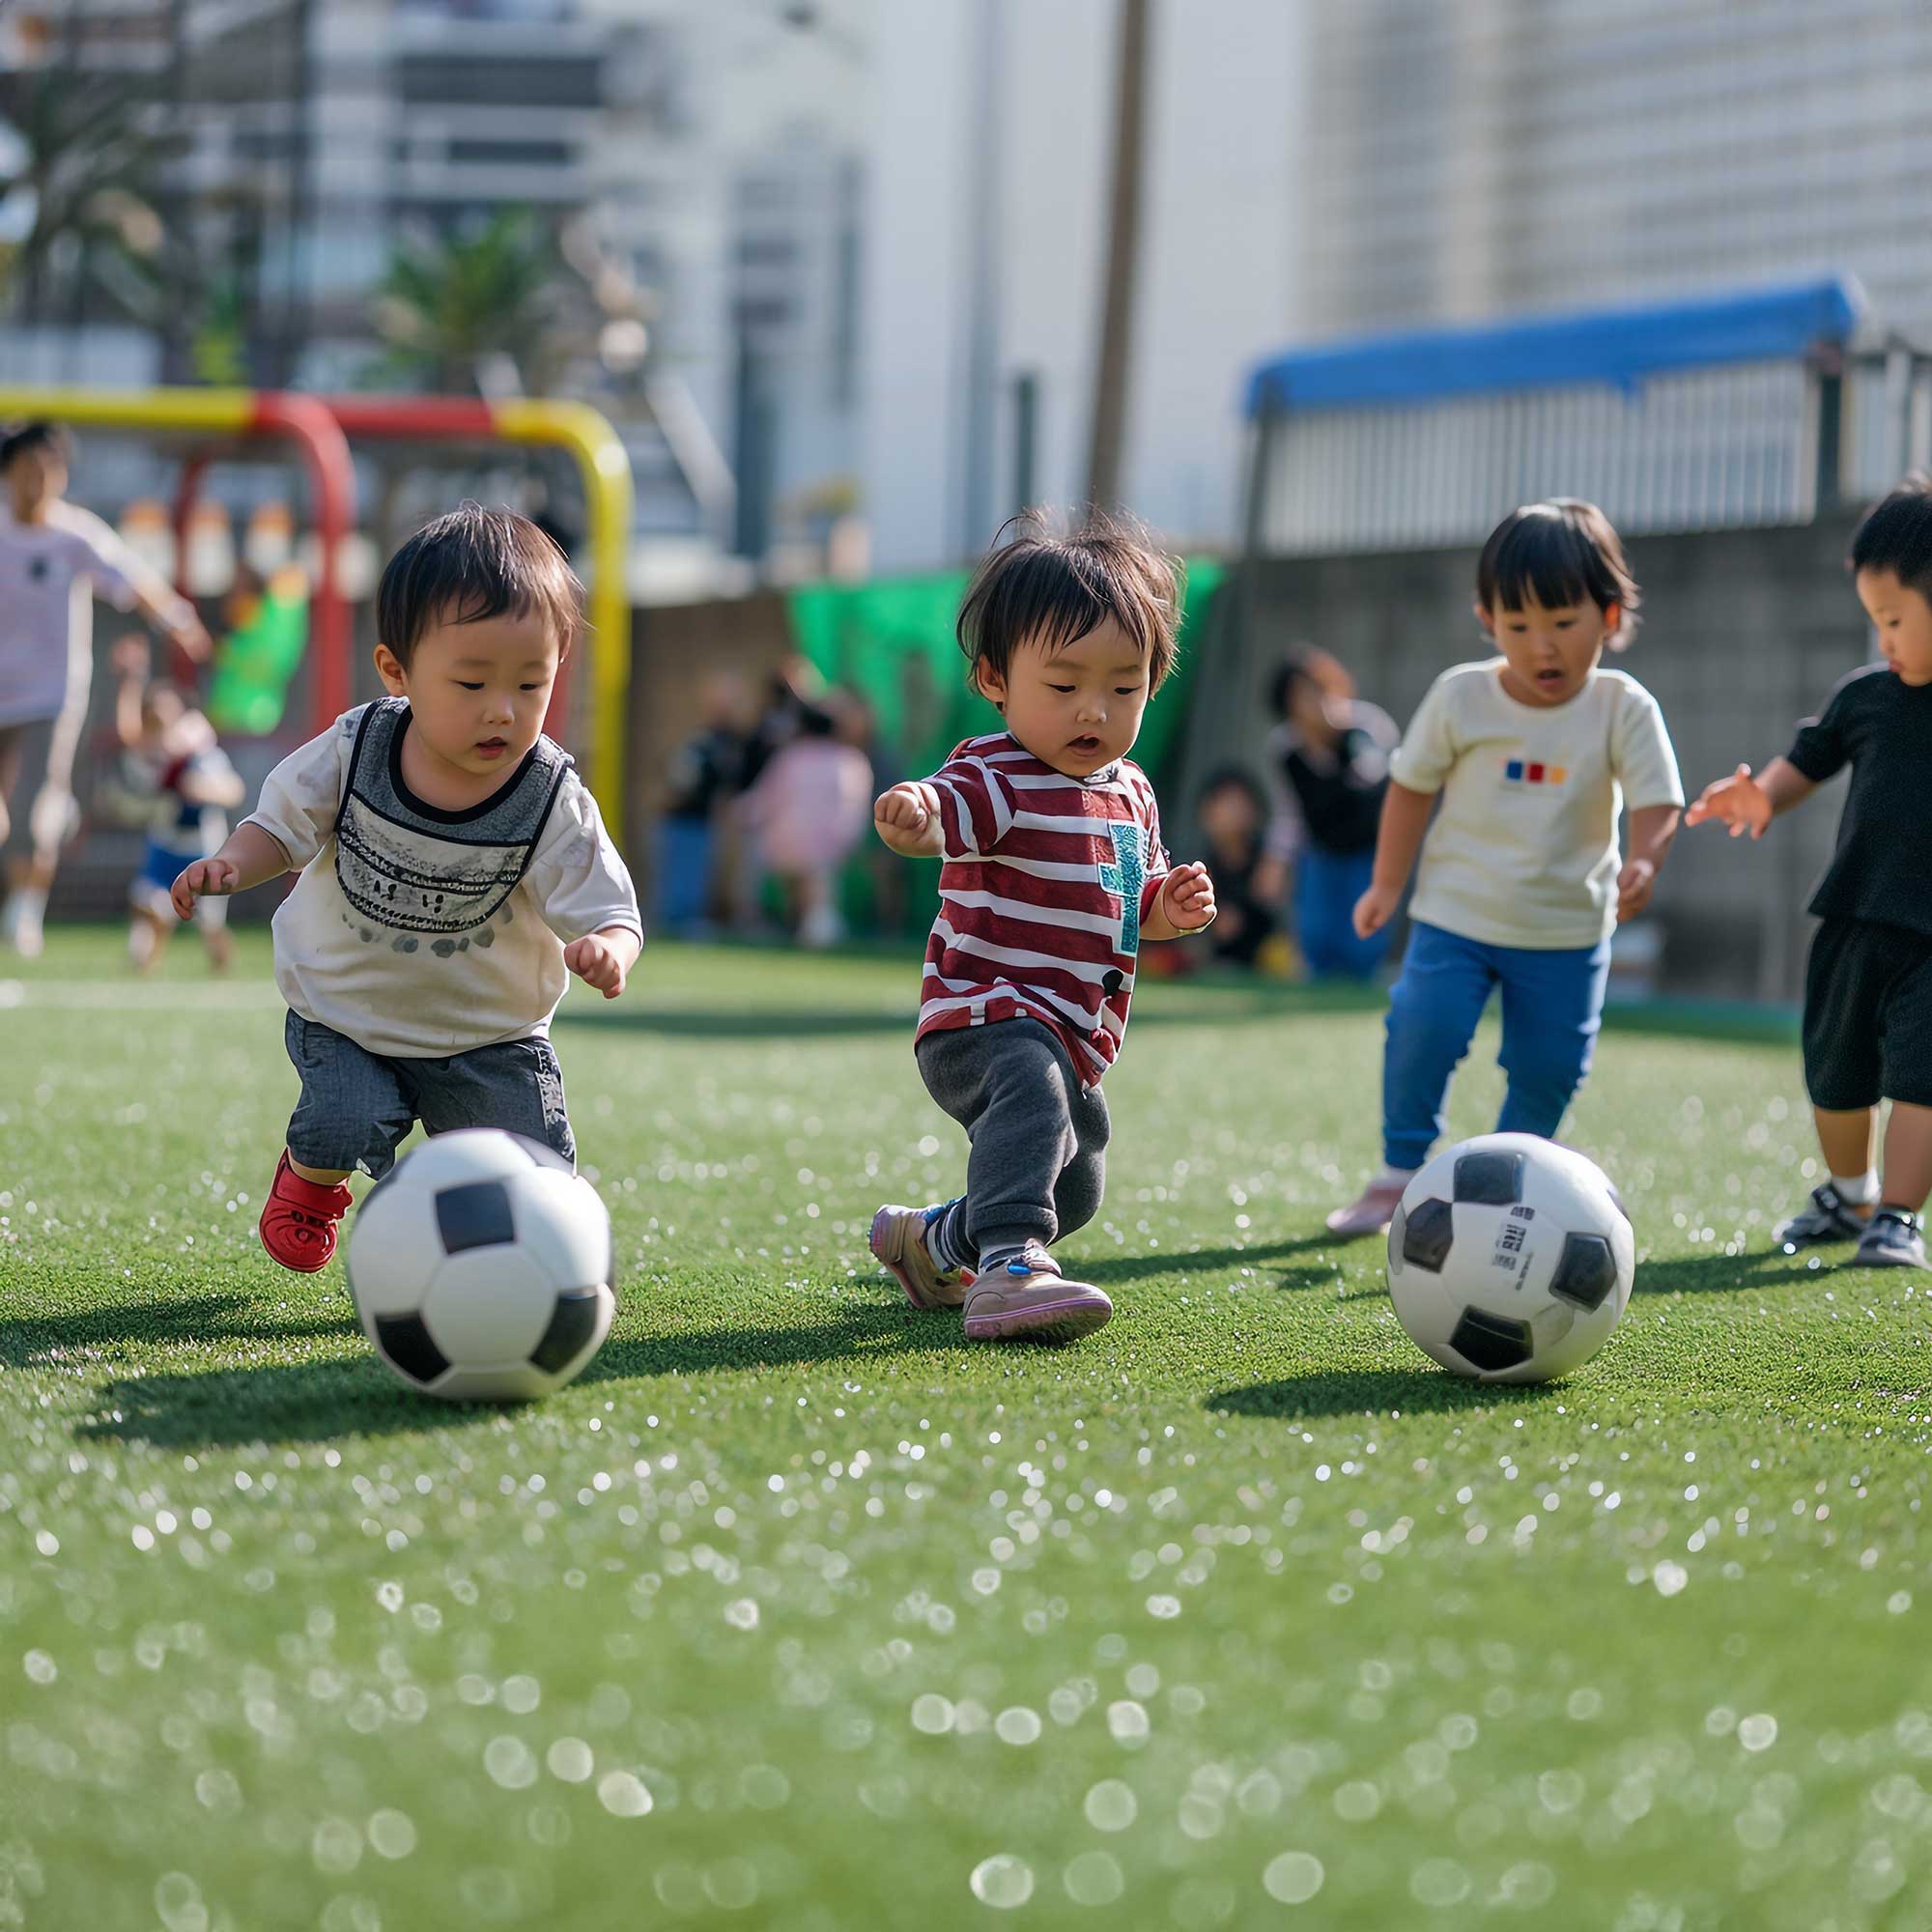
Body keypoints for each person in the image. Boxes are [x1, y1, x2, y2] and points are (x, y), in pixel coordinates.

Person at [170, 503, 642, 1273]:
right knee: (343, 1123)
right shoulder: (359, 749)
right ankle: (312, 1180)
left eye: (532, 684)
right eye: (470, 682)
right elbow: (282, 827)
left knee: (533, 1172)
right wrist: (232, 861)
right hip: (348, 1013)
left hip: (491, 1036)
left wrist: (609, 948)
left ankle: (521, 1269)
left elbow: (607, 904)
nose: (503, 710)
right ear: (397, 671)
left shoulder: (549, 795)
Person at [866, 514, 1218, 1341]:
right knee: (1032, 1095)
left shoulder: (1131, 792)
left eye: (1123, 688)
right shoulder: (998, 772)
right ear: (996, 678)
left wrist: (1169, 905)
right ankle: (1009, 1270)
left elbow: (1131, 901)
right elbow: (950, 810)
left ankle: (933, 1241)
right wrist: (916, 815)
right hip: (984, 1018)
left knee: (1078, 1182)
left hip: (1073, 1036)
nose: (1093, 709)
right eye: (1063, 687)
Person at [1327, 499, 1684, 1237]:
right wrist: (1388, 884)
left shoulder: (1624, 708)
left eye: (1563, 623)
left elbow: (1657, 801)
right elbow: (1411, 786)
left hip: (1567, 928)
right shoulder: (1463, 695)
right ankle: (1398, 1173)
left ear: (1609, 617)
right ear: (1488, 620)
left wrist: (1645, 860)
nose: (1541, 647)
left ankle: (1508, 1180)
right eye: (1518, 626)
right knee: (1423, 1021)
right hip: (1458, 914)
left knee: (1551, 1064)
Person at [1686, 475, 1932, 1270]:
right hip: (1855, 919)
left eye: (1895, 620)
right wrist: (1759, 797)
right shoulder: (1866, 698)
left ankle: (1897, 1215)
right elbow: (1808, 761)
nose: (1882, 640)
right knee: (1836, 1078)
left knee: (1923, 1079)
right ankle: (1850, 1191)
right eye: (1874, 622)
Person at [0, 419, 212, 955]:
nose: (40, 482)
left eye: (51, 470)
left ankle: (25, 912)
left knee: (29, 814)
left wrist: (179, 621)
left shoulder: (75, 535)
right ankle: (51, 819)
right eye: (29, 470)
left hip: (50, 695)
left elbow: (131, 579)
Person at [1259, 646, 1397, 980]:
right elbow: (1288, 814)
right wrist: (1274, 862)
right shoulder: (1286, 750)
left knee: (1363, 943)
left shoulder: (1366, 728)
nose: (1314, 703)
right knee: (1317, 936)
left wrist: (1339, 741)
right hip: (1319, 852)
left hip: (1368, 851)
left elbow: (1374, 780)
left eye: (1319, 690)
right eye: (1301, 697)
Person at [109, 636, 243, 974]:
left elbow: (233, 791)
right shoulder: (154, 754)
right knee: (146, 903)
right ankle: (145, 965)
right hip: (166, 843)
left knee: (209, 926)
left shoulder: (201, 754)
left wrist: (202, 789)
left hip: (203, 847)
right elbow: (130, 735)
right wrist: (131, 681)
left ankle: (221, 963)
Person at [741, 691, 874, 948]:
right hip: (829, 843)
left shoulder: (791, 757)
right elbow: (854, 806)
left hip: (784, 840)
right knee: (819, 886)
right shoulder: (851, 760)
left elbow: (766, 797)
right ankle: (815, 926)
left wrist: (741, 814)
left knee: (769, 868)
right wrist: (850, 838)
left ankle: (757, 918)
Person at [655, 670, 751, 935]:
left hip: (703, 819)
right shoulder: (702, 742)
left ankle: (688, 918)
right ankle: (676, 921)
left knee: (697, 871)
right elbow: (681, 778)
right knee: (681, 871)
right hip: (684, 817)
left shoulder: (730, 741)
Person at [1194, 767, 1277, 971]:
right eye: (1228, 805)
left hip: (1266, 955)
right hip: (1217, 958)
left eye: (1242, 805)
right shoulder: (1201, 864)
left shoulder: (1268, 860)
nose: (1236, 813)